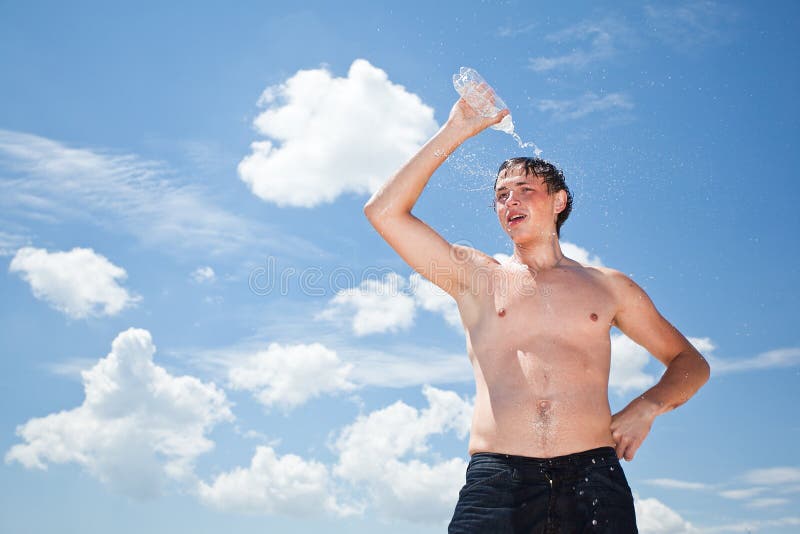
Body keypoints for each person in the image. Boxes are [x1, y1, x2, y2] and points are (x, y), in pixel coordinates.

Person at [363, 92, 710, 533]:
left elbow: (691, 363)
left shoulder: (608, 287)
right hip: (498, 481)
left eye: (525, 189)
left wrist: (648, 406)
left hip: (593, 479)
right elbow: (385, 212)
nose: (510, 200)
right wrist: (456, 130)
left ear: (559, 201)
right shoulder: (476, 277)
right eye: (501, 194)